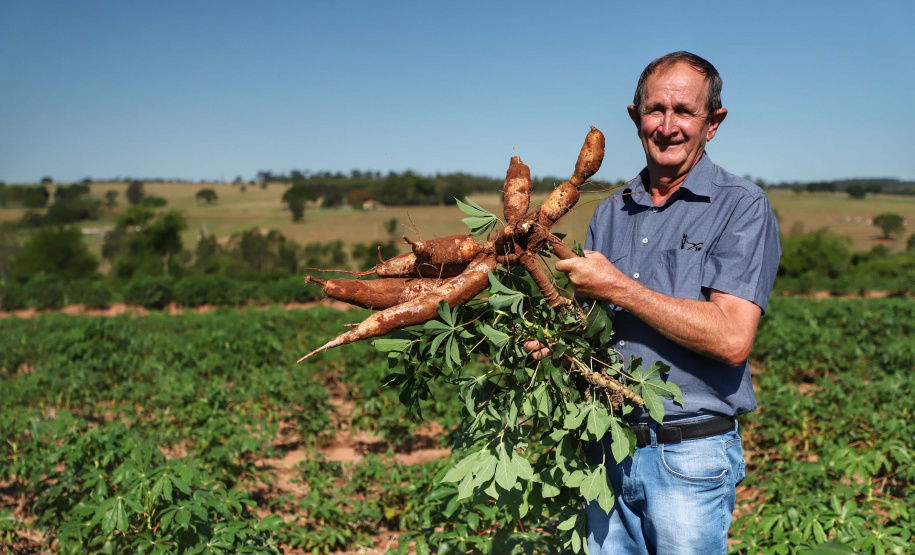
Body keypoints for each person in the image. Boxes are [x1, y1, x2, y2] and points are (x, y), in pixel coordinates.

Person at [525, 51, 781, 554]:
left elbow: (732, 338)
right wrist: (557, 344)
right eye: (655, 111)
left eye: (684, 111)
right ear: (634, 118)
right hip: (607, 445)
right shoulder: (613, 210)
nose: (668, 126)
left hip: (689, 453)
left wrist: (619, 286)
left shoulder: (742, 206)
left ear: (713, 123)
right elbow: (601, 327)